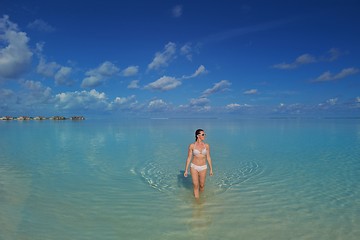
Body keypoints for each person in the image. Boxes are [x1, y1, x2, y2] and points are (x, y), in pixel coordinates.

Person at [184, 129, 213, 198]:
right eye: (203, 134)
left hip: (203, 167)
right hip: (194, 166)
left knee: (202, 185)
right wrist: (186, 170)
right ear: (198, 135)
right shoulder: (192, 146)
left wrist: (211, 169)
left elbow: (208, 157)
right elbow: (189, 158)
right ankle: (197, 202)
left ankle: (202, 198)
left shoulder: (206, 146)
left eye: (204, 134)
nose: (204, 136)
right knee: (195, 185)